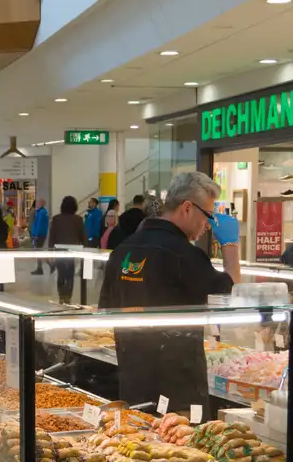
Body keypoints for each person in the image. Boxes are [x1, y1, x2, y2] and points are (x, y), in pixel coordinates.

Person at [98, 171, 239, 408]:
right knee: (178, 445)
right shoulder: (186, 256)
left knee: (138, 443)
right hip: (179, 392)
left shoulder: (122, 250)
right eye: (208, 216)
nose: (208, 225)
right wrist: (231, 246)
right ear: (187, 207)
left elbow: (104, 311)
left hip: (133, 381)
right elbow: (231, 298)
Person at [48, 196, 87, 302]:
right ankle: (67, 296)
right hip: (73, 251)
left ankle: (61, 295)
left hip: (59, 250)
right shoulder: (78, 220)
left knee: (61, 272)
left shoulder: (56, 219)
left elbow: (52, 236)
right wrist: (85, 249)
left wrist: (50, 251)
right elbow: (83, 236)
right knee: (70, 273)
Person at [29, 197, 49, 274]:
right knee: (39, 250)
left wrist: (36, 234)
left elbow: (39, 224)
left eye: (38, 203)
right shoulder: (41, 212)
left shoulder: (42, 212)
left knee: (38, 251)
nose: (36, 204)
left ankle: (42, 268)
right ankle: (42, 267)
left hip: (39, 235)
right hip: (40, 234)